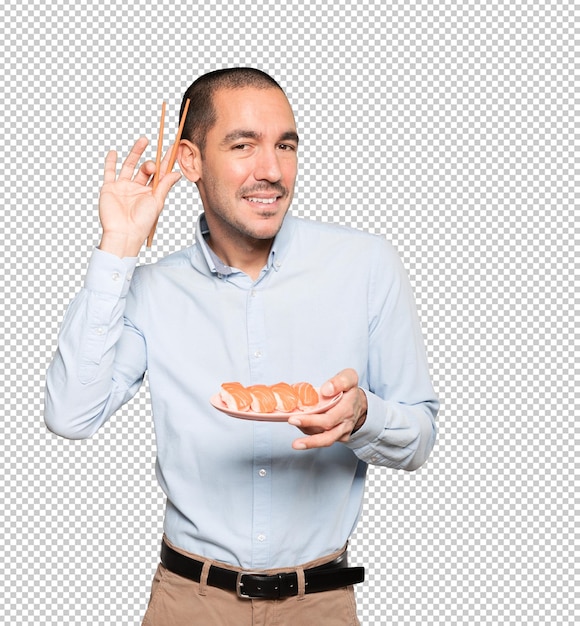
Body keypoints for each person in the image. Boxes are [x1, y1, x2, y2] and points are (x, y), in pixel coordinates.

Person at [45, 68, 438, 626]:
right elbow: (70, 415)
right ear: (189, 161)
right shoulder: (152, 289)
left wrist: (362, 416)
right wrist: (119, 246)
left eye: (285, 144)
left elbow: (420, 438)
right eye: (242, 145)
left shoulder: (366, 266)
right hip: (190, 602)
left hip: (319, 603)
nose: (272, 171)